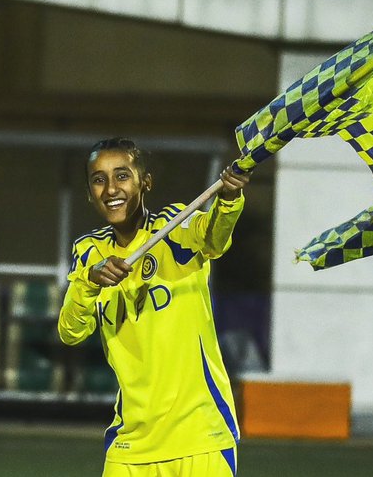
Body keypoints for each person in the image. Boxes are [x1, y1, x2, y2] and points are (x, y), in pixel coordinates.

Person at [58, 137, 249, 477]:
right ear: (89, 192)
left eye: (122, 176)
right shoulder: (89, 252)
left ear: (145, 182)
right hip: (131, 444)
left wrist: (229, 200)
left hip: (200, 435)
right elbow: (70, 332)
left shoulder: (174, 226)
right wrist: (89, 282)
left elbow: (213, 239)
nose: (110, 188)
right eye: (98, 179)